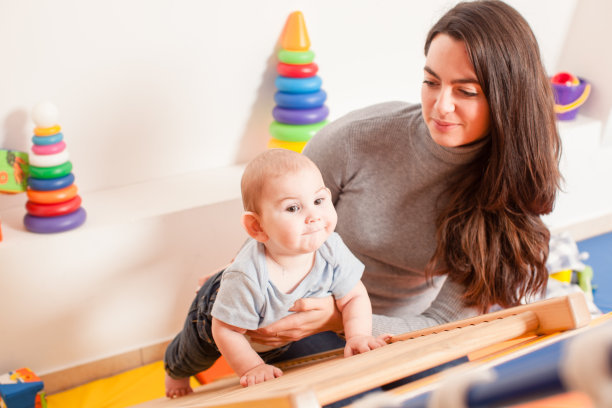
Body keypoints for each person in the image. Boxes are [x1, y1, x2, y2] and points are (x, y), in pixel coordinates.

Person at [245, 0, 561, 359]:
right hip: (302, 313)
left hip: (405, 329)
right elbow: (268, 240)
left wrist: (339, 320)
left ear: (509, 99)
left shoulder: (510, 185)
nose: (441, 106)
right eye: (431, 82)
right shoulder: (353, 140)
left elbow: (445, 321)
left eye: (466, 91)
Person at [164, 149, 387, 398]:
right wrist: (253, 367)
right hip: (214, 314)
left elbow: (354, 296)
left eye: (318, 201)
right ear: (257, 226)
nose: (314, 216)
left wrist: (358, 336)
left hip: (273, 326)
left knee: (279, 350)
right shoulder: (247, 277)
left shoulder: (331, 248)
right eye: (293, 208)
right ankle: (174, 372)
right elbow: (224, 330)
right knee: (194, 355)